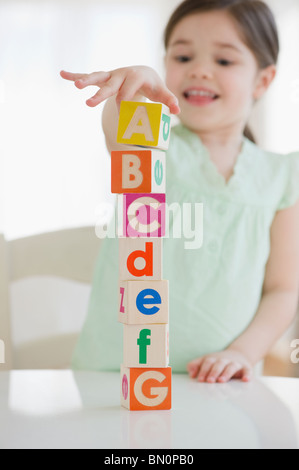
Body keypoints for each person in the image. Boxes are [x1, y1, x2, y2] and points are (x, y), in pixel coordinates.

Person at [60, 0, 299, 383]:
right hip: (114, 374)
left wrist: (242, 354)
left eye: (224, 61)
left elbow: (283, 289)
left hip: (220, 384)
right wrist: (136, 87)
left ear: (263, 80)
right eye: (183, 56)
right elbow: (122, 129)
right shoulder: (156, 145)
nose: (200, 70)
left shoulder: (282, 175)